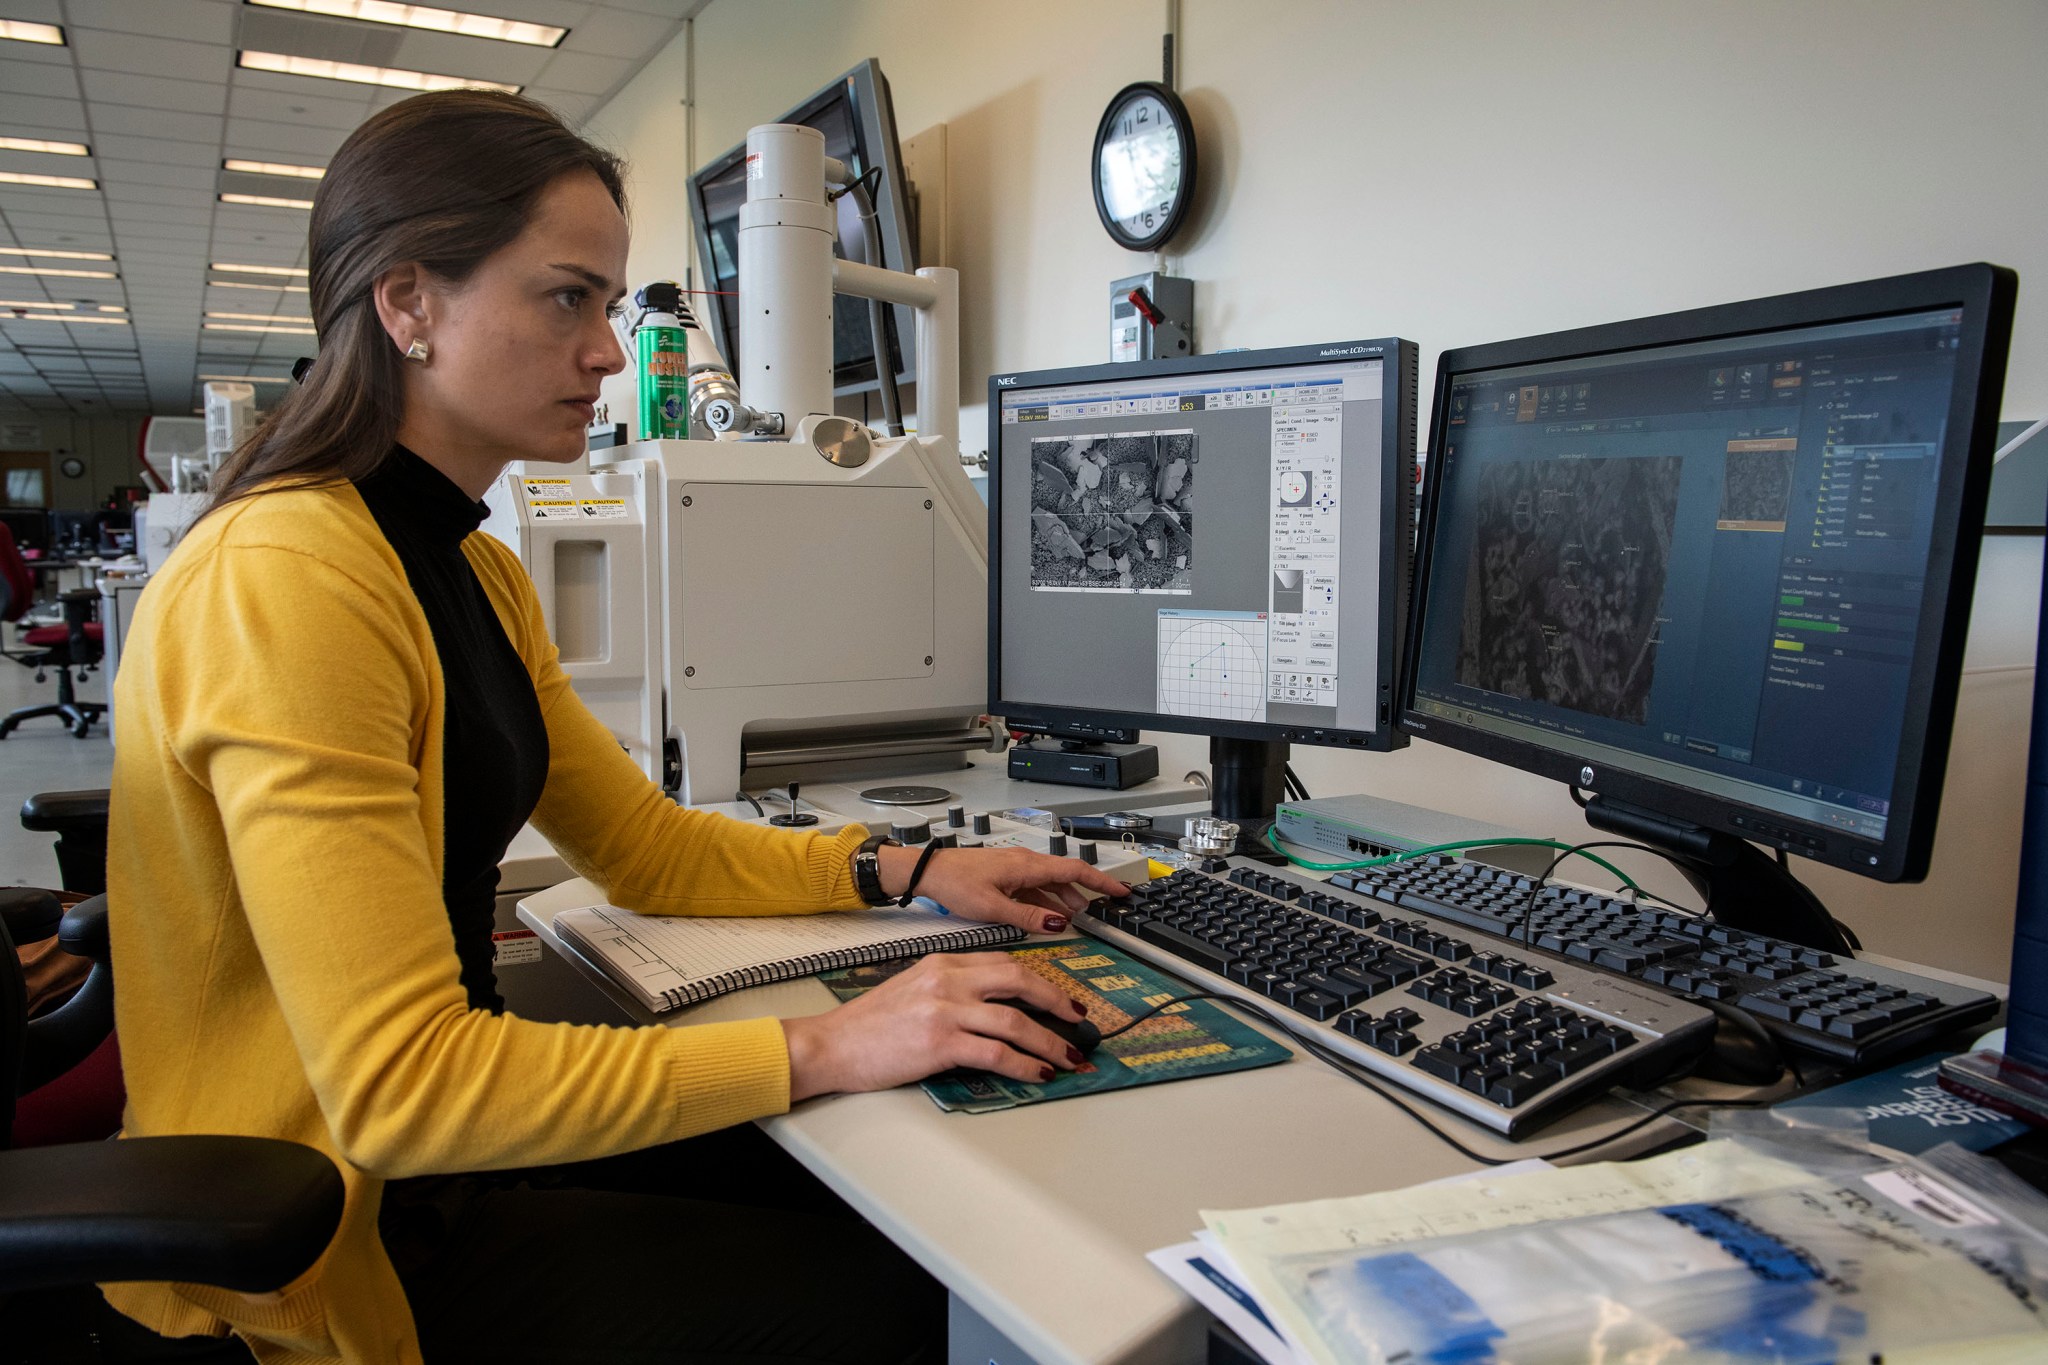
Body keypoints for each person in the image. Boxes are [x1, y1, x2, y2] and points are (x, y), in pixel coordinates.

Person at [104, 90, 1129, 1365]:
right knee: (919, 1303)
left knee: (884, 1194)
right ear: (409, 303)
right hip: (332, 1249)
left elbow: (648, 852)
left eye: (605, 304)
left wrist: (910, 870)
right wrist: (829, 1039)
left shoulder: (463, 568)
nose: (604, 350)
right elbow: (403, 1091)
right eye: (566, 298)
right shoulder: (287, 582)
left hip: (442, 1179)